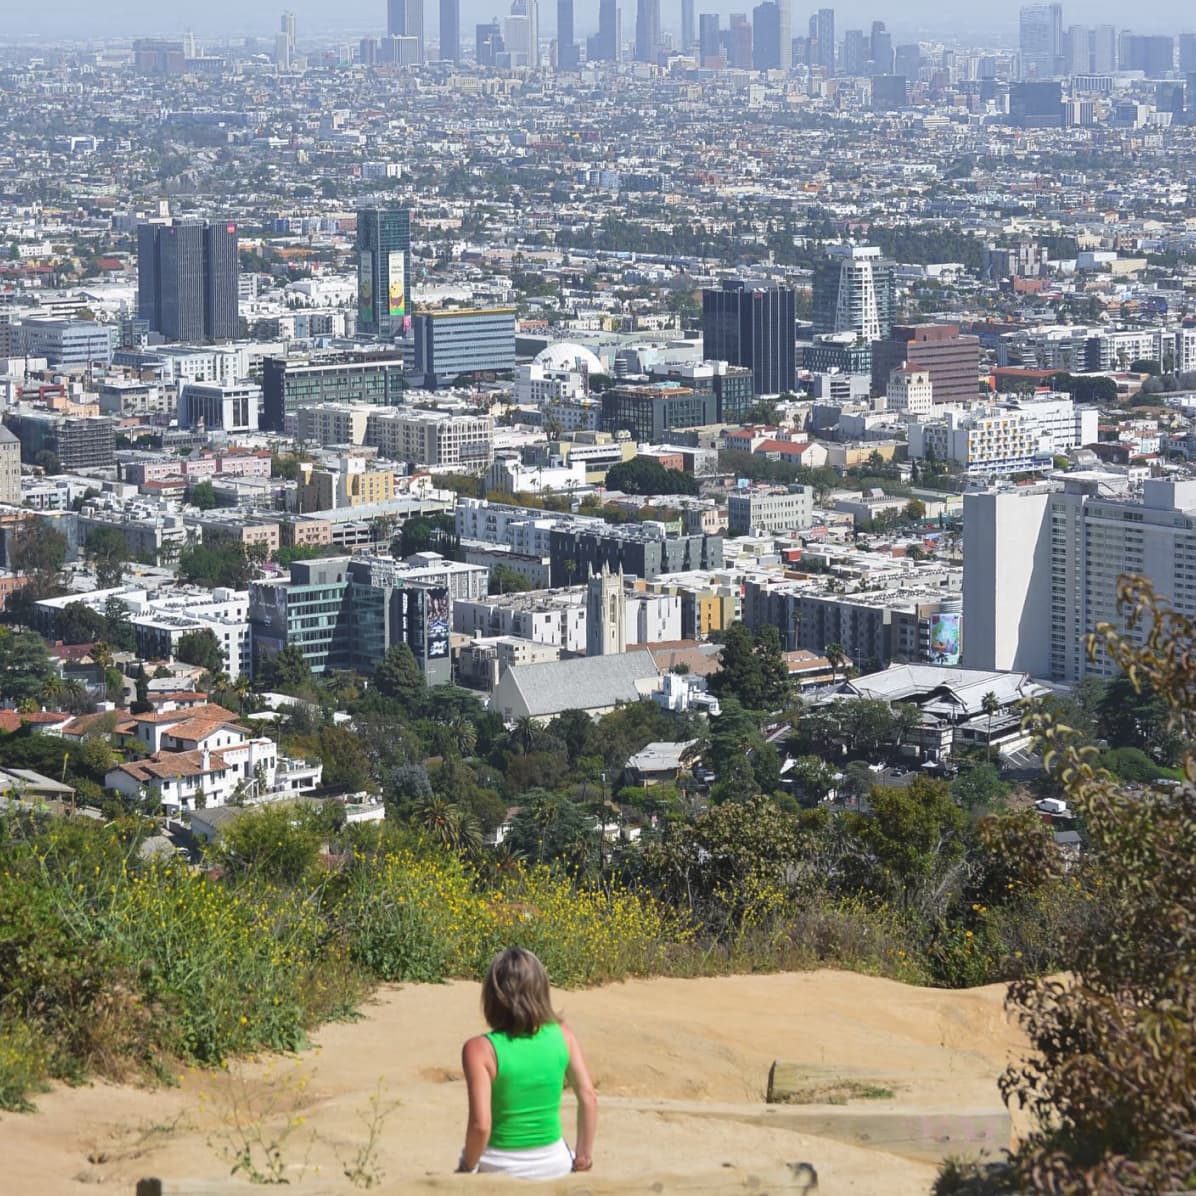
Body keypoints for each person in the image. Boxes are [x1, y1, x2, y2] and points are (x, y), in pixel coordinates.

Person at [457, 947, 597, 1179]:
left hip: (499, 1166)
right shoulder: (564, 1035)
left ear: (493, 995)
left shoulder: (479, 1050)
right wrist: (583, 1155)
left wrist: (467, 1167)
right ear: (541, 990)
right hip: (554, 1164)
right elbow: (588, 1098)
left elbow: (481, 1126)